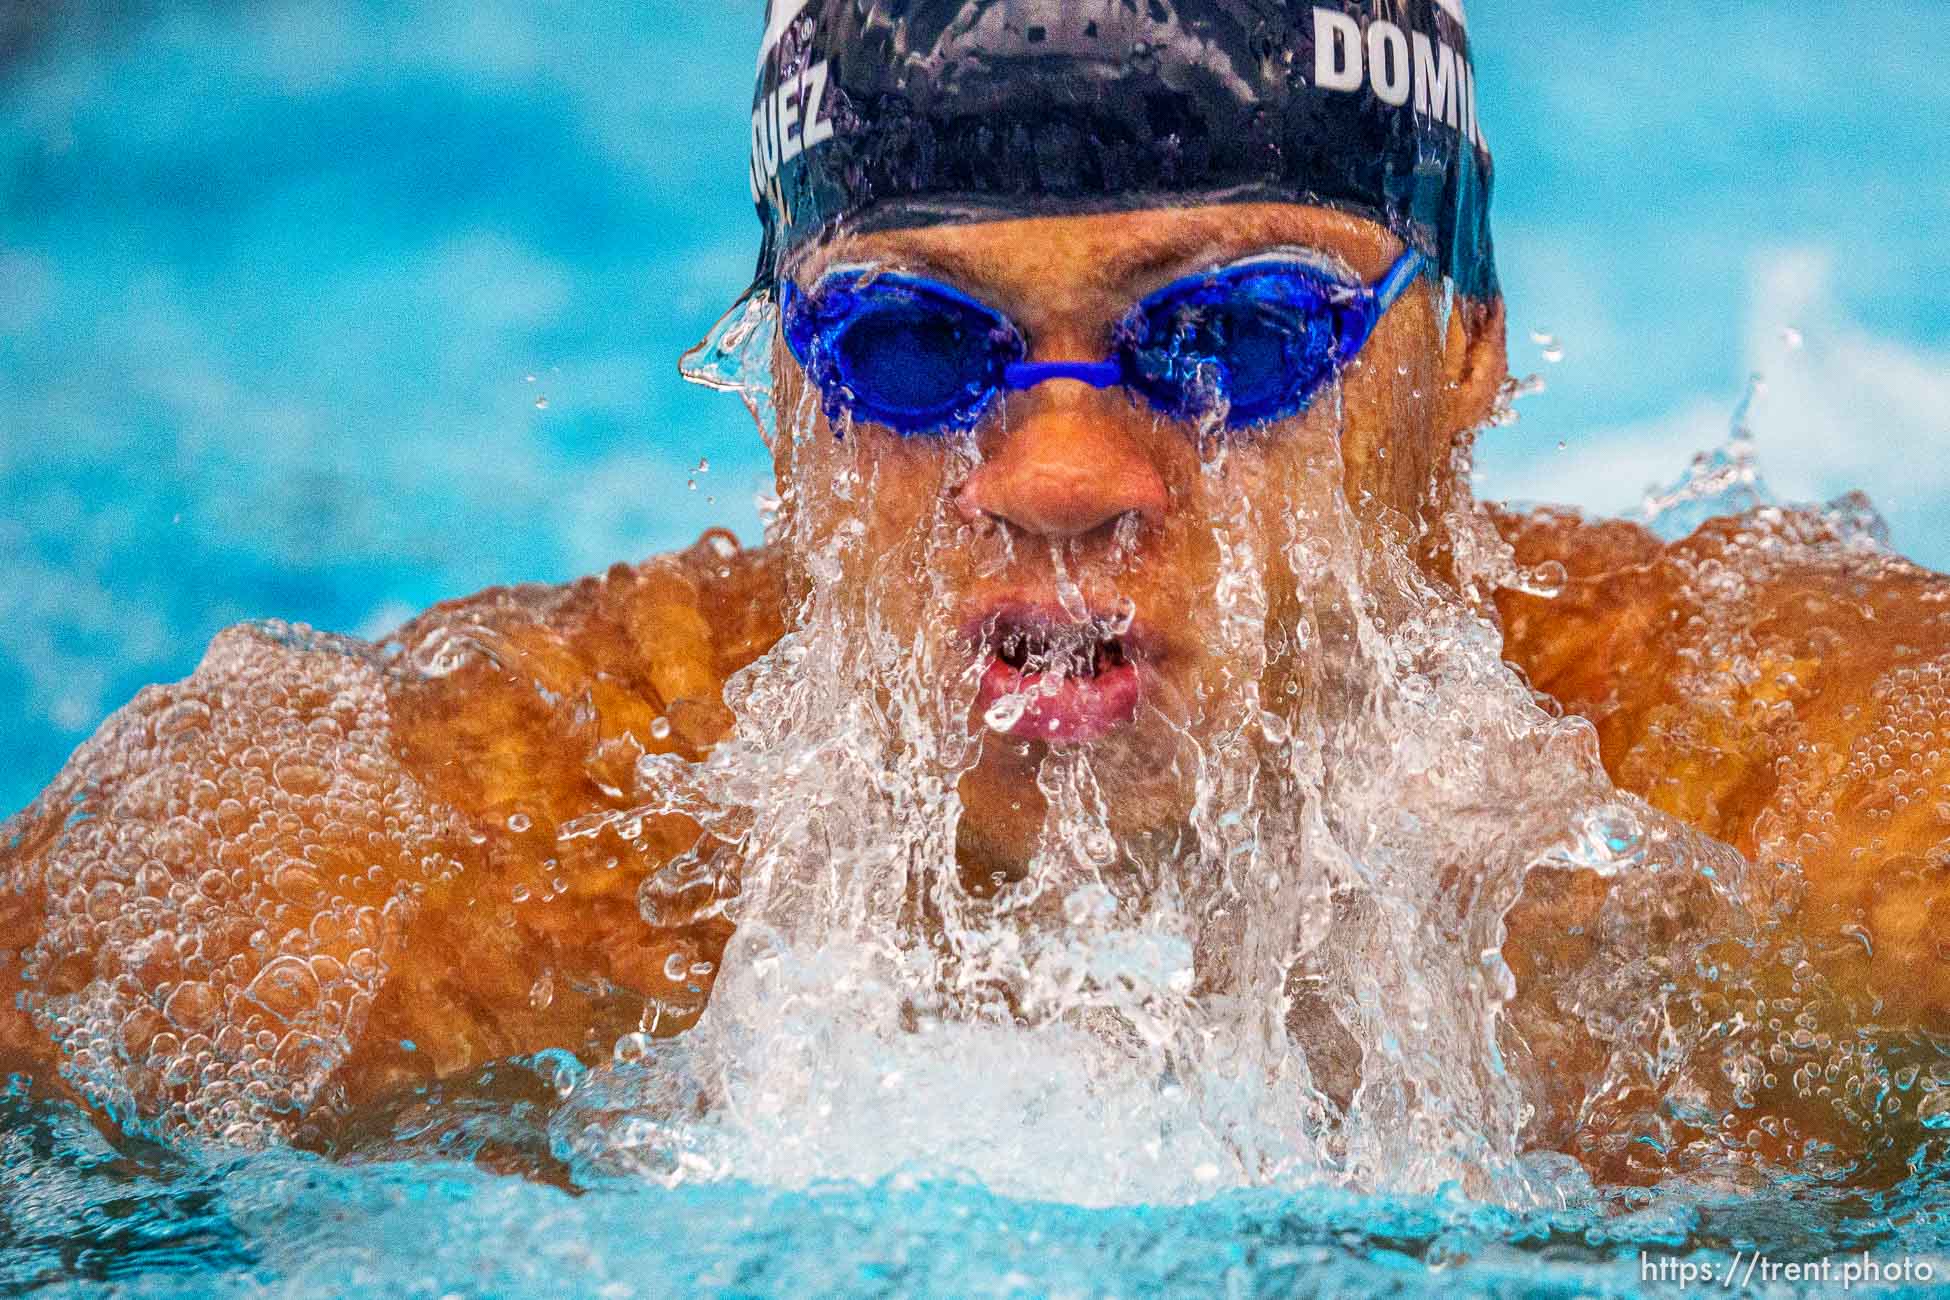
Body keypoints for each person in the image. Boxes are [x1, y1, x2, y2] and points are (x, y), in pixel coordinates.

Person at [2, 0, 1943, 1187]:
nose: (1061, 478)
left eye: (1240, 333)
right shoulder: (468, 863)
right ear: (779, 396)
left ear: (1471, 364)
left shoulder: (1783, 796)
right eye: (916, 348)